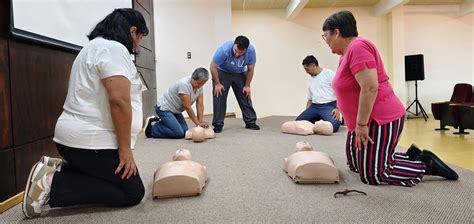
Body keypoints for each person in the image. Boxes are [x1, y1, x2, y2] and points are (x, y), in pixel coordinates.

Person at [22, 8, 149, 218]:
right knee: (132, 192)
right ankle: (51, 183)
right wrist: (125, 149)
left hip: (77, 141)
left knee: (116, 179)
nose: (139, 43)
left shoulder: (93, 47)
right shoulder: (114, 49)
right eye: (140, 37)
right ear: (132, 30)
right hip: (90, 142)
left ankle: (63, 168)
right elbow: (119, 100)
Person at [322, 10, 458, 187]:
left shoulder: (358, 47)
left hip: (379, 119)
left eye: (326, 36)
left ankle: (425, 165)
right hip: (361, 122)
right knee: (355, 165)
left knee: (373, 175)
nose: (326, 42)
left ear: (337, 32)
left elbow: (370, 87)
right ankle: (411, 156)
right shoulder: (344, 55)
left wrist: (362, 124)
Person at [210, 35, 260, 133]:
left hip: (240, 73)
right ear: (234, 45)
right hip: (222, 72)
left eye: (240, 53)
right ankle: (218, 124)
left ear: (246, 49)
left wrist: (247, 85)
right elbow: (213, 67)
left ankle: (250, 121)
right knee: (219, 96)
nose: (237, 54)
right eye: (235, 51)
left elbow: (250, 69)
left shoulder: (251, 51)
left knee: (245, 95)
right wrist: (217, 84)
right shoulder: (224, 50)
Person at [145, 68, 209, 139]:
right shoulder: (184, 85)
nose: (200, 86)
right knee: (178, 133)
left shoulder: (200, 87)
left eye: (203, 84)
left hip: (176, 111)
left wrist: (200, 122)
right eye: (199, 83)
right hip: (164, 108)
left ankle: (165, 122)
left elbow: (200, 105)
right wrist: (198, 123)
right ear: (193, 78)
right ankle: (153, 128)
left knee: (185, 131)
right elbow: (187, 107)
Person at [296, 55, 341, 132]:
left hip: (329, 106)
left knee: (334, 126)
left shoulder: (328, 73)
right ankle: (320, 118)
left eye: (307, 69)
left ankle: (324, 119)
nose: (306, 72)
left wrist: (338, 108)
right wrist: (307, 112)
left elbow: (340, 90)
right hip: (315, 107)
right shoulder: (311, 80)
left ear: (313, 65)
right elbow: (310, 100)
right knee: (299, 122)